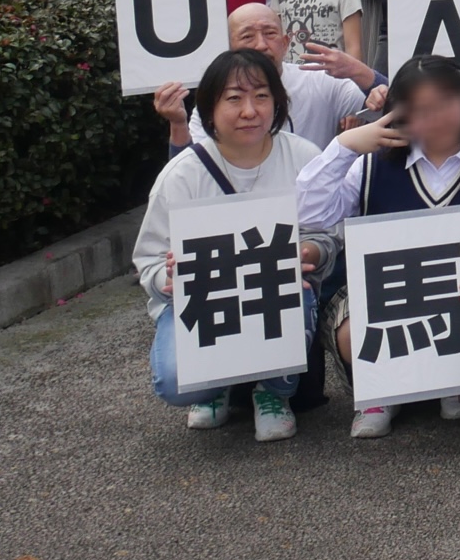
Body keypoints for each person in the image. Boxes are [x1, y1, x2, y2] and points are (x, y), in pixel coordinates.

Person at [297, 56, 460, 437]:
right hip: (384, 293)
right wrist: (345, 146)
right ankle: (380, 391)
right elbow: (309, 211)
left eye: (447, 103)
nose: (436, 117)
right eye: (420, 109)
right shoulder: (371, 165)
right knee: (352, 333)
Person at [134, 48, 332, 440]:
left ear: (278, 103)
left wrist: (308, 253)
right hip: (207, 304)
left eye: (261, 96)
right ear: (208, 109)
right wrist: (167, 279)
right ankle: (214, 388)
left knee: (298, 295)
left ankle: (273, 391)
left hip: (278, 295)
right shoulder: (182, 174)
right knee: (176, 381)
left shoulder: (304, 157)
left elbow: (327, 234)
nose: (250, 111)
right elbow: (150, 258)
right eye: (234, 98)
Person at [156, 2, 368, 154]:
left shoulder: (322, 80)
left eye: (270, 33)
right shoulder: (215, 97)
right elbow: (193, 172)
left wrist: (360, 73)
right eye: (247, 36)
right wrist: (177, 124)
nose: (261, 45)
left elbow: (390, 107)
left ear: (286, 43)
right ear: (228, 47)